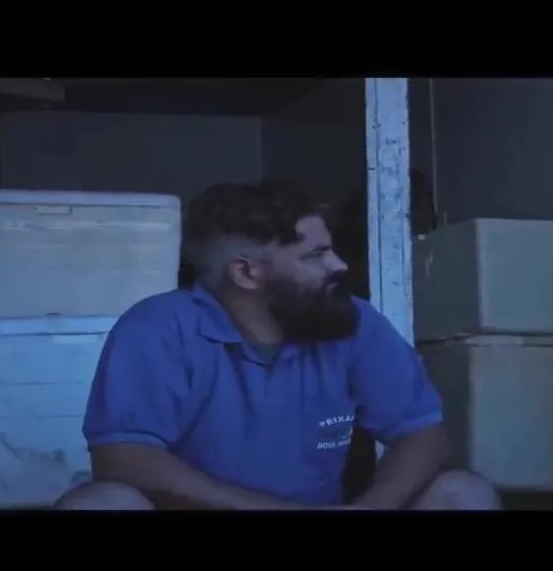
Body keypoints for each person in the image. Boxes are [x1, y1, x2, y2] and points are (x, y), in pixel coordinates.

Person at [56, 180, 500, 510]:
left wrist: (370, 508)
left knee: (463, 493)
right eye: (314, 255)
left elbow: (422, 434)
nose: (339, 265)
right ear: (246, 273)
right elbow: (122, 458)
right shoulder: (158, 327)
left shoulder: (353, 320)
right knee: (98, 504)